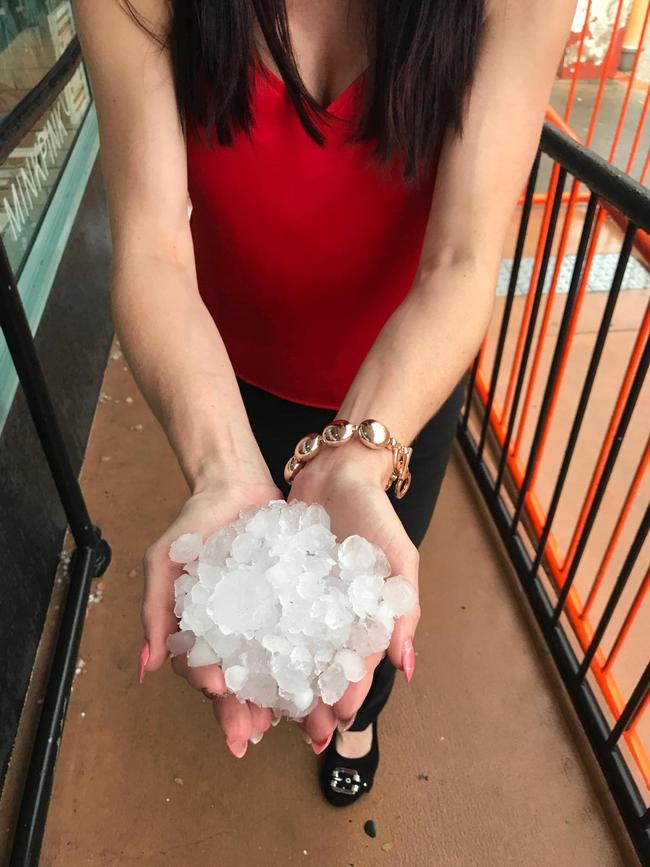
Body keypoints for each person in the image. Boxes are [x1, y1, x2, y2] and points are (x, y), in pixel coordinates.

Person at [73, 0, 574, 806]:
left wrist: (357, 462)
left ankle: (359, 719)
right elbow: (154, 249)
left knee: (378, 578)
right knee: (267, 530)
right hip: (227, 369)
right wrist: (221, 465)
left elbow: (463, 255)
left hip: (406, 384)